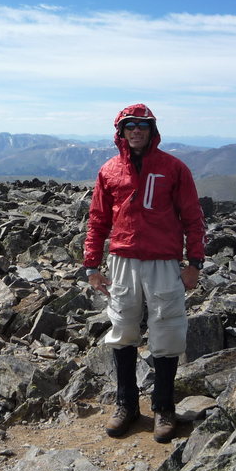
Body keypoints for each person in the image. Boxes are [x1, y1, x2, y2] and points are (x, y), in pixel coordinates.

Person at [83, 103, 205, 443]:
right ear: (120, 132)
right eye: (130, 126)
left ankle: (164, 408)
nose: (136, 130)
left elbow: (193, 218)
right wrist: (92, 266)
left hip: (164, 261)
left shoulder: (174, 169)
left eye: (143, 125)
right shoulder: (109, 171)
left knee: (166, 332)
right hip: (123, 261)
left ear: (152, 130)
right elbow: (97, 221)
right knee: (122, 330)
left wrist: (194, 264)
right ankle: (127, 405)